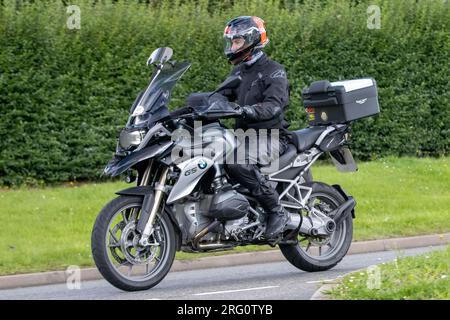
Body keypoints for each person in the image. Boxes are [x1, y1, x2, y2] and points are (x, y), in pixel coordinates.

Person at [214, 16, 292, 238]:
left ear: (252, 40)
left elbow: (274, 106)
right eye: (231, 42)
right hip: (244, 136)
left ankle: (276, 211)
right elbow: (218, 97)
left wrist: (246, 110)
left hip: (272, 136)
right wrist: (192, 108)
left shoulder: (274, 71)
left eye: (236, 41)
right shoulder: (238, 72)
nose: (232, 46)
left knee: (237, 162)